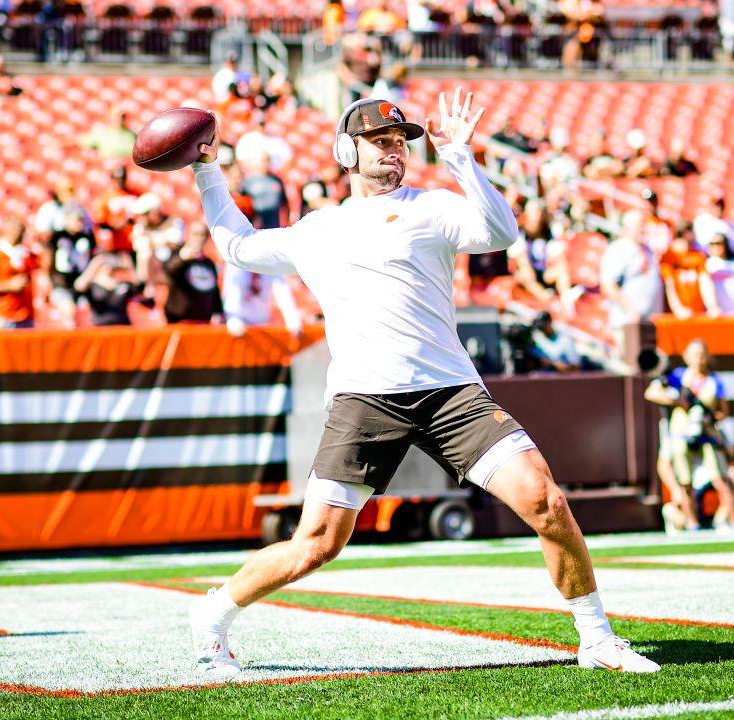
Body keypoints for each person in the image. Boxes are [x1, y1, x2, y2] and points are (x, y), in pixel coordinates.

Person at [186, 90, 660, 676]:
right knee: (317, 544)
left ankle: (596, 638)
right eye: (379, 142)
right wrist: (207, 171)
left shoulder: (432, 206)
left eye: (401, 142)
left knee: (547, 501)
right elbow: (236, 245)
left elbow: (500, 233)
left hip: (449, 393)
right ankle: (213, 615)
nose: (394, 151)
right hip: (364, 397)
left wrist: (460, 156)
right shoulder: (318, 230)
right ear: (345, 153)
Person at [644, 340, 734, 534]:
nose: (699, 359)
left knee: (720, 478)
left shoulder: (714, 381)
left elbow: (723, 411)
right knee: (685, 481)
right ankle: (692, 523)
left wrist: (708, 417)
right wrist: (677, 401)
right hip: (681, 432)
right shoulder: (678, 377)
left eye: (702, 354)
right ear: (686, 357)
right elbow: (651, 392)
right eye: (694, 354)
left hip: (706, 434)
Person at [600, 210, 663, 357]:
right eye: (639, 225)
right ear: (627, 227)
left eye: (644, 224)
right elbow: (608, 285)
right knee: (633, 368)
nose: (644, 228)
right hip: (628, 324)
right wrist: (630, 309)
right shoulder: (618, 249)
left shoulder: (647, 249)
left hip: (649, 323)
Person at [160, 220, 222, 324]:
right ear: (188, 235)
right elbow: (168, 272)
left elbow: (214, 290)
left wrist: (217, 311)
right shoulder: (177, 255)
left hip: (203, 320)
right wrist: (183, 258)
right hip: (179, 319)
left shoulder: (208, 263)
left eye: (202, 235)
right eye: (195, 234)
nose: (199, 238)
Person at [0, 218, 39, 329]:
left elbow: (44, 263)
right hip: (4, 316)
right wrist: (9, 285)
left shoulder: (25, 253)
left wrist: (38, 241)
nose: (22, 236)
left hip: (25, 316)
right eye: (20, 232)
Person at [223, 266, 302, 338]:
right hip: (241, 323)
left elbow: (282, 291)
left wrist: (292, 319)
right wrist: (233, 319)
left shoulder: (270, 262)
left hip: (262, 322)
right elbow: (231, 295)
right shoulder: (235, 265)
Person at [47, 208, 95, 329]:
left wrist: (86, 278)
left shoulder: (87, 236)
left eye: (81, 220)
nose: (80, 223)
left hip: (82, 286)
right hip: (62, 284)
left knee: (87, 314)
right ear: (67, 220)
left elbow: (94, 260)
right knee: (69, 312)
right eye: (77, 220)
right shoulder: (57, 236)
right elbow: (48, 261)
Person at [74, 251, 148, 327]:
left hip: (122, 328)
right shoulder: (92, 286)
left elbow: (140, 288)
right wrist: (94, 265)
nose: (107, 265)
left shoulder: (123, 285)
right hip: (100, 329)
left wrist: (130, 267)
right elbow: (78, 287)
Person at [660, 224, 708, 320]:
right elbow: (669, 286)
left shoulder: (698, 255)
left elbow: (705, 282)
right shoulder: (669, 257)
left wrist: (712, 306)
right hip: (676, 316)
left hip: (697, 313)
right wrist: (678, 309)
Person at [240, 151, 291, 231]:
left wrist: (287, 223)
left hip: (274, 227)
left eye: (268, 160)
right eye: (263, 160)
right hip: (254, 227)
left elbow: (285, 203)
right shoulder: (248, 182)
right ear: (255, 163)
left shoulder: (277, 180)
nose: (266, 163)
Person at [693, 196, 734, 261]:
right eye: (715, 205)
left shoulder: (729, 225)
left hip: (726, 260)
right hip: (706, 258)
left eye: (720, 205)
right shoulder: (701, 220)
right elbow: (702, 245)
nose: (718, 208)